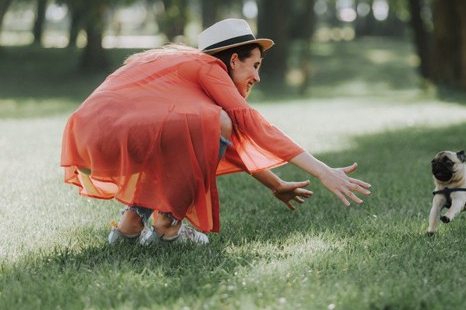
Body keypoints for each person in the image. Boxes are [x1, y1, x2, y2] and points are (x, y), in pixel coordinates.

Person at [61, 18, 371, 244]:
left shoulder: (181, 68)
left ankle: (129, 226)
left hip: (87, 137)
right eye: (255, 65)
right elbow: (253, 127)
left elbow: (225, 139)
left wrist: (275, 184)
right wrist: (322, 171)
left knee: (201, 126)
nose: (257, 77)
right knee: (218, 121)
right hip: (114, 135)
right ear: (233, 59)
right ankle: (167, 226)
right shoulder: (209, 68)